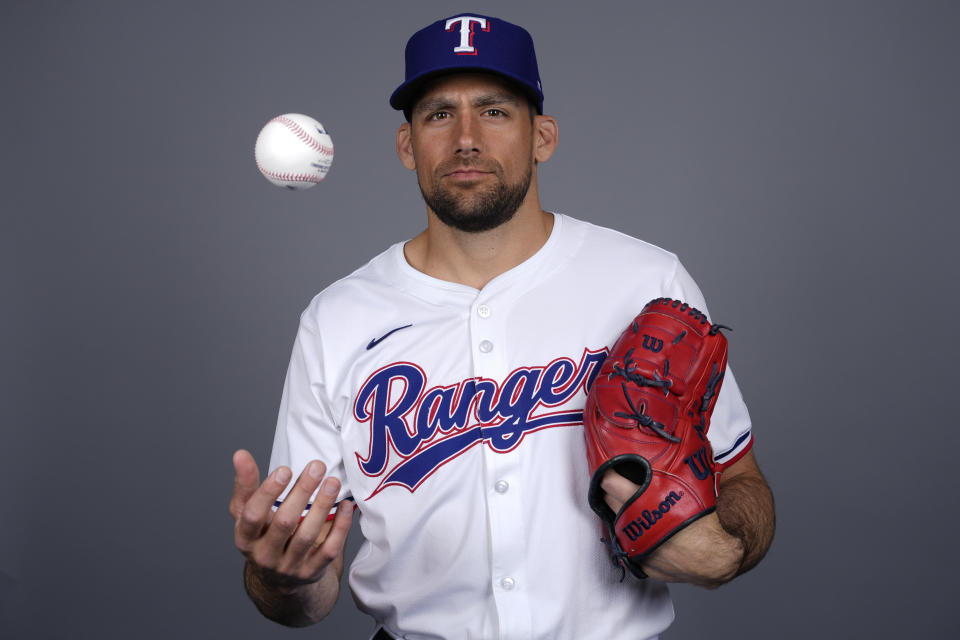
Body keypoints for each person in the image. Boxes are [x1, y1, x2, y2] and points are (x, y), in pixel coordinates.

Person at [229, 12, 775, 640]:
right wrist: (284, 577)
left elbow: (740, 476)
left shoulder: (647, 281)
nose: (466, 138)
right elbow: (305, 592)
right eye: (439, 114)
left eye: (494, 111)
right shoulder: (337, 320)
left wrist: (725, 549)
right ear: (406, 145)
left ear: (542, 136)